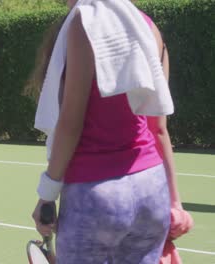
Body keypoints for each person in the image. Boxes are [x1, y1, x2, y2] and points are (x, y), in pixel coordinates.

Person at [27, 0, 192, 263]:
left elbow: (70, 124)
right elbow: (159, 129)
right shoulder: (149, 27)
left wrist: (46, 196)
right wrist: (175, 203)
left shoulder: (82, 25)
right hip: (152, 189)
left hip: (95, 195)